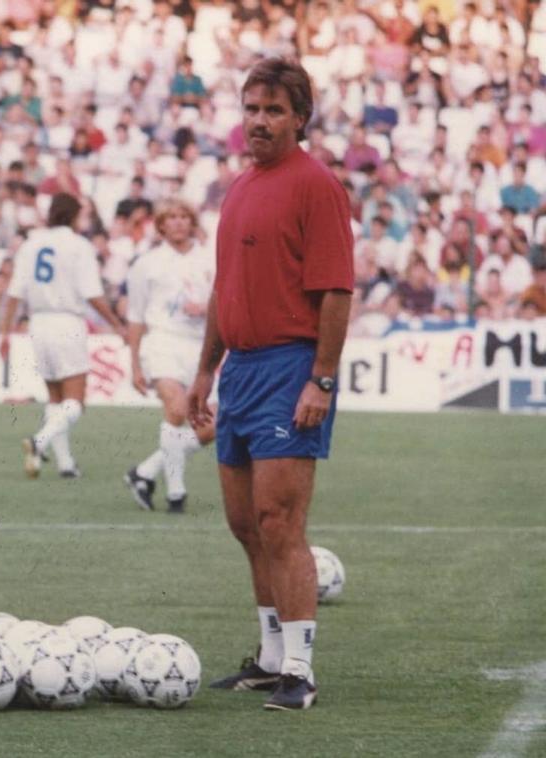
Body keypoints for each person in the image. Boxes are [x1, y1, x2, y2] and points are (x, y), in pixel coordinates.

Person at [187, 59, 353, 711]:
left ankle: (302, 670)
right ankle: (269, 656)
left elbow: (337, 291)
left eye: (274, 110)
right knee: (244, 524)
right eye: (252, 107)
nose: (259, 120)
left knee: (278, 520)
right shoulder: (239, 186)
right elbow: (222, 290)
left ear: (300, 118)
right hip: (240, 371)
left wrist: (323, 379)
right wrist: (205, 369)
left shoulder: (316, 186)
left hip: (291, 367)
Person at [0, 192, 125, 478]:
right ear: (73, 215)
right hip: (67, 322)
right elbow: (92, 293)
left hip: (38, 323)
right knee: (75, 402)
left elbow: (14, 293)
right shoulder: (80, 246)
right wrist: (117, 324)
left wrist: (5, 333)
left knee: (55, 398)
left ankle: (66, 464)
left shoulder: (31, 244)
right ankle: (38, 442)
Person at [123, 199, 216, 513]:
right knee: (176, 409)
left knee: (214, 424)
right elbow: (136, 316)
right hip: (162, 342)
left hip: (201, 347)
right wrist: (134, 362)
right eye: (171, 218)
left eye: (183, 217)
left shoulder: (210, 259)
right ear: (160, 225)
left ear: (192, 222)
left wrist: (206, 309)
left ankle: (145, 472)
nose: (177, 222)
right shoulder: (146, 264)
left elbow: (225, 303)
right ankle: (176, 493)